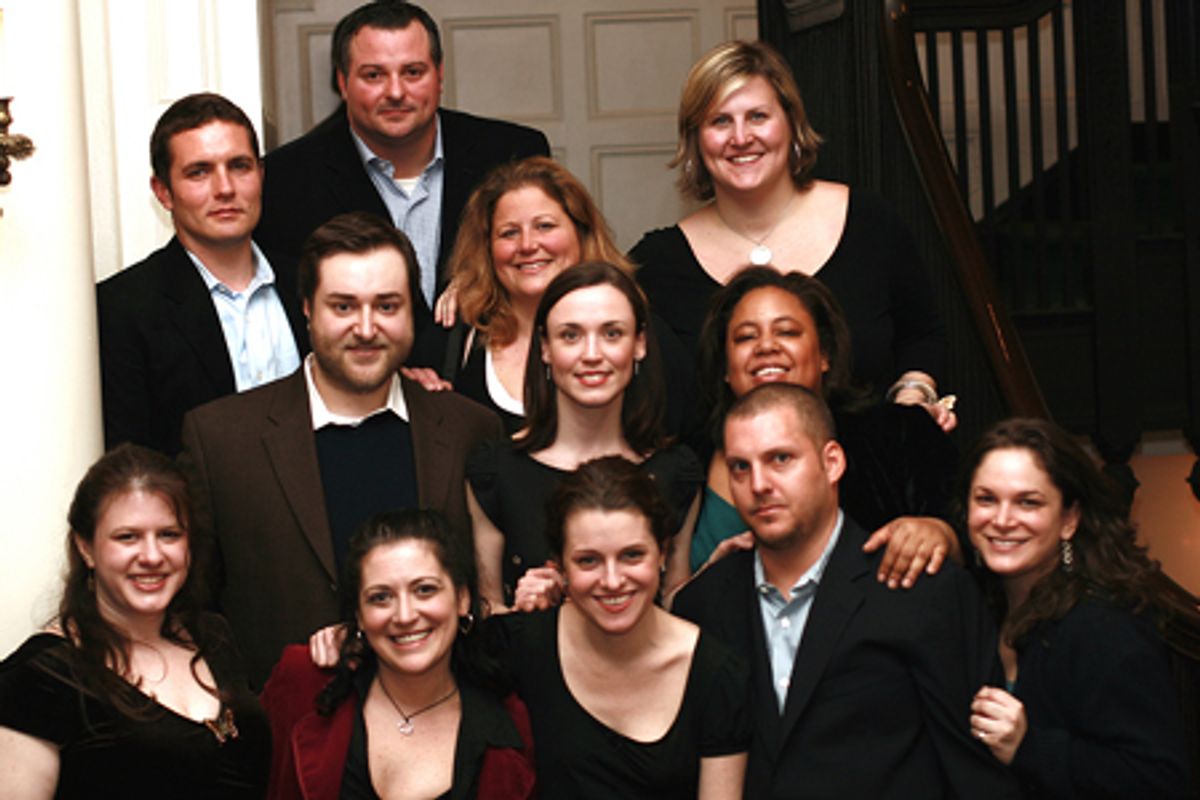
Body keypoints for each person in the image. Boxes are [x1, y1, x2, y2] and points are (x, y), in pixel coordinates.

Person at [180, 211, 502, 686]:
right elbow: (193, 609)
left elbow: (488, 593)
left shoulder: (468, 428)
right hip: (285, 741)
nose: (367, 328)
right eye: (344, 306)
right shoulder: (222, 440)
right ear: (307, 309)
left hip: (445, 728)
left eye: (387, 306)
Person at [673, 384, 1019, 798]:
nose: (759, 483)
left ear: (832, 462)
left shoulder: (921, 589)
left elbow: (973, 769)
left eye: (780, 459)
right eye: (740, 468)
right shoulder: (703, 605)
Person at [631, 40, 955, 430]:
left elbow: (922, 334)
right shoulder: (658, 262)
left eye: (757, 116)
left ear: (791, 122)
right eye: (719, 121)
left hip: (873, 475)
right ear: (696, 140)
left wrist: (914, 394)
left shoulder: (871, 223)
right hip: (724, 484)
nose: (740, 137)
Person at [257, 0, 550, 370]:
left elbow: (552, 265)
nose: (396, 92)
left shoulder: (512, 153)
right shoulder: (285, 180)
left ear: (439, 75)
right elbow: (293, 318)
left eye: (413, 72)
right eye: (374, 75)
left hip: (496, 396)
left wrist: (485, 273)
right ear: (343, 82)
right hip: (361, 406)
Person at [0, 444, 269, 798]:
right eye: (127, 537)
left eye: (169, 535)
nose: (152, 556)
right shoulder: (41, 677)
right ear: (85, 547)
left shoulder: (213, 636)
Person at [964, 418, 1198, 798]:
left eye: (1028, 502)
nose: (1002, 520)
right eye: (986, 499)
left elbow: (1159, 780)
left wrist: (1030, 748)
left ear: (1069, 519)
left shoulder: (1105, 625)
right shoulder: (978, 608)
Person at [690, 266, 960, 587]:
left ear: (824, 355)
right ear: (725, 367)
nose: (766, 346)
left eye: (787, 332)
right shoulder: (691, 457)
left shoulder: (898, 432)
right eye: (746, 337)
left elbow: (972, 546)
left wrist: (939, 533)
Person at [502, 456, 749, 798]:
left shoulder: (715, 673)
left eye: (632, 555)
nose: (613, 580)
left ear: (662, 554)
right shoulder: (523, 646)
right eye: (588, 560)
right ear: (559, 565)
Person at [466, 262, 702, 609]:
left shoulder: (675, 471)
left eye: (612, 334)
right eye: (570, 335)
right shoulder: (496, 472)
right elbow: (488, 613)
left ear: (639, 344)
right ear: (545, 348)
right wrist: (521, 614)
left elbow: (675, 606)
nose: (592, 355)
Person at [261, 509, 536, 799]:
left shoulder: (510, 724)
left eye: (425, 590)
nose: (404, 615)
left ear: (462, 599)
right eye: (381, 597)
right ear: (360, 614)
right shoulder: (303, 683)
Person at [98, 92, 305, 456]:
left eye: (239, 166)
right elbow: (129, 460)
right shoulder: (120, 309)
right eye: (199, 172)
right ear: (163, 192)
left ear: (260, 175)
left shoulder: (311, 283)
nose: (225, 188)